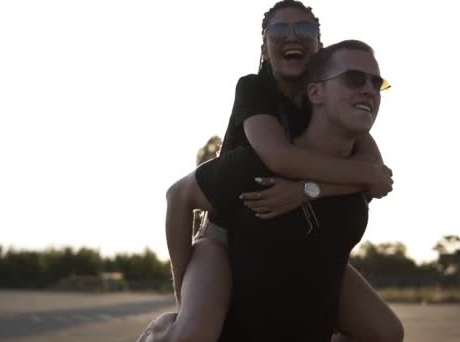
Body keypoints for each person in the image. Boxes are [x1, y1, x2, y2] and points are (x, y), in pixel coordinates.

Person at [139, 1, 403, 342]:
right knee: (194, 333)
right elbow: (278, 158)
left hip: (294, 235)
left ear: (318, 46)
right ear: (263, 46)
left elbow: (370, 174)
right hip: (226, 230)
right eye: (278, 31)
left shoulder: (334, 106)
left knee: (387, 332)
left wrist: (309, 189)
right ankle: (168, 327)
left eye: (304, 30)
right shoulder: (255, 90)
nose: (292, 36)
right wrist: (184, 292)